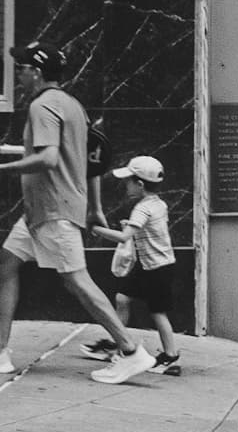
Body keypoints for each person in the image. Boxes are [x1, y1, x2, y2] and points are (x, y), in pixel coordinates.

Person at [0, 43, 156, 384]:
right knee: (6, 264)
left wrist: (5, 166)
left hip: (52, 210)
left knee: (77, 282)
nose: (19, 74)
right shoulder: (73, 106)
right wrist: (95, 207)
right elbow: (93, 160)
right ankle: (1, 353)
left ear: (37, 72)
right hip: (42, 212)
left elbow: (49, 158)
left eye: (22, 68)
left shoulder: (42, 106)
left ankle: (131, 350)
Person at [84, 155, 180, 375]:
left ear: (139, 184)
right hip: (152, 266)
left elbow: (124, 237)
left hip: (157, 269)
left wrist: (95, 229)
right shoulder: (157, 204)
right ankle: (118, 341)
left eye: (128, 180)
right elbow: (147, 229)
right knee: (122, 298)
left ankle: (171, 357)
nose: (124, 184)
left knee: (158, 313)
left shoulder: (142, 209)